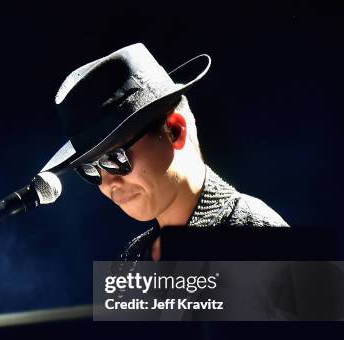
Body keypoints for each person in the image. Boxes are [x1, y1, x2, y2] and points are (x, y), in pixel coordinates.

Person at [42, 43, 288, 261]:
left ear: (175, 131)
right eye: (89, 170)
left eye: (115, 158)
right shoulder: (134, 260)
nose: (108, 184)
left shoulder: (260, 239)